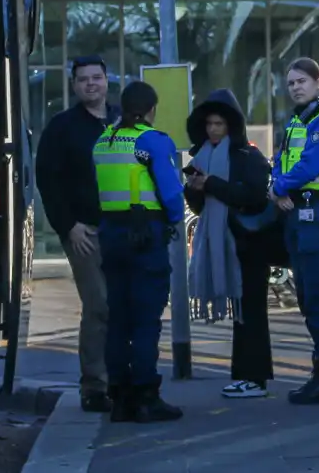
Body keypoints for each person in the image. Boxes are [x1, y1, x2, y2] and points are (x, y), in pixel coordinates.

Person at [93, 81, 185, 423]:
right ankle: (147, 396)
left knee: (119, 319)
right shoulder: (152, 141)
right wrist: (174, 218)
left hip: (111, 236)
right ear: (150, 109)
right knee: (146, 321)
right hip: (144, 236)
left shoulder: (103, 141)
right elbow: (172, 195)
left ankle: (119, 398)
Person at [35, 55, 119, 412]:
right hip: (85, 232)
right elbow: (48, 180)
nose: (90, 84)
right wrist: (68, 227)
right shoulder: (62, 127)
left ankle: (123, 379)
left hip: (125, 231)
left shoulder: (122, 121)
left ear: (106, 81)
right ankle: (95, 385)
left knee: (123, 308)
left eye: (96, 78)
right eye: (83, 79)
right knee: (98, 306)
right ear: (74, 85)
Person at [184, 89, 278, 399]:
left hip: (249, 246)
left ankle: (255, 378)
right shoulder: (202, 156)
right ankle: (243, 376)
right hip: (224, 243)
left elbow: (252, 197)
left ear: (231, 126)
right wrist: (195, 188)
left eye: (219, 124)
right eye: (209, 124)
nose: (213, 129)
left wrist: (211, 183)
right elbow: (200, 208)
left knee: (251, 311)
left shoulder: (248, 156)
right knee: (241, 315)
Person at [269, 57, 319, 405]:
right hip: (299, 215)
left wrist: (278, 188)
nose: (296, 87)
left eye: (302, 81)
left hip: (318, 215)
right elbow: (281, 162)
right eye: (291, 83)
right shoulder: (296, 122)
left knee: (317, 297)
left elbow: (310, 164)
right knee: (305, 296)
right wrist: (278, 186)